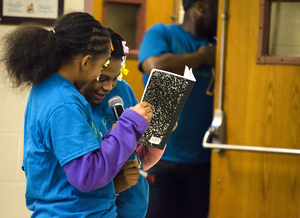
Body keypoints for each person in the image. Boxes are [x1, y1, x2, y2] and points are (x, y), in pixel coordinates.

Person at [1, 12, 153, 217]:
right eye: (100, 68)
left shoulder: (47, 87)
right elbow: (87, 175)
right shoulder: (64, 103)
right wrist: (129, 125)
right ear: (86, 62)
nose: (107, 85)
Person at [138, 0, 218, 217]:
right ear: (200, 7)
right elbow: (155, 68)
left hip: (204, 159)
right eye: (218, 9)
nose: (223, 17)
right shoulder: (163, 33)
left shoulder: (220, 43)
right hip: (160, 158)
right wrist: (202, 58)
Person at [80, 28, 164, 218]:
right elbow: (81, 177)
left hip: (134, 208)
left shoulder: (122, 90)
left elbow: (138, 156)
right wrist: (114, 186)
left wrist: (158, 131)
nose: (108, 87)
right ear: (85, 65)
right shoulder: (71, 106)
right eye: (101, 78)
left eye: (115, 78)